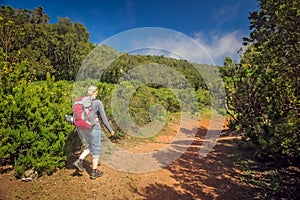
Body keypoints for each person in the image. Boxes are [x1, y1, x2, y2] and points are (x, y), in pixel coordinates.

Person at [73, 86, 114, 180]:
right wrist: (110, 130)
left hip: (83, 129)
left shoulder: (83, 102)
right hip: (94, 128)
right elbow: (103, 118)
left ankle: (79, 160)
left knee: (91, 145)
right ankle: (94, 172)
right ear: (96, 93)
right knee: (96, 149)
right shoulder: (97, 103)